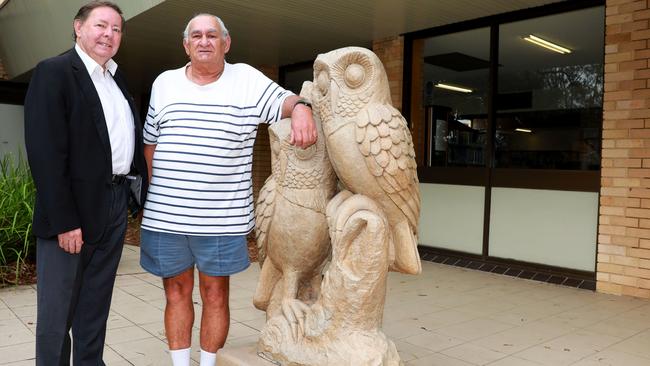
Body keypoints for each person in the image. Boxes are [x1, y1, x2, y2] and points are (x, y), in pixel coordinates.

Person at [139, 13, 317, 366]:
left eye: (212, 35)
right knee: (175, 293)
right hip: (166, 219)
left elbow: (286, 100)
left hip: (221, 219)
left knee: (215, 295)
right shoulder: (164, 83)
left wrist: (302, 109)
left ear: (226, 43)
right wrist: (156, 196)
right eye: (197, 36)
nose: (204, 41)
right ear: (186, 45)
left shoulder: (247, 79)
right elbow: (150, 146)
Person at [23, 1, 148, 365]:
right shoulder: (55, 72)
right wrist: (64, 221)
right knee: (57, 313)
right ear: (78, 27)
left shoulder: (115, 77)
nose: (109, 34)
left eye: (117, 29)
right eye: (100, 25)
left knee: (95, 307)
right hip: (71, 212)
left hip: (112, 203)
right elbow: (46, 155)